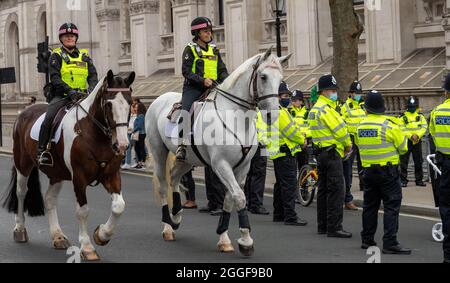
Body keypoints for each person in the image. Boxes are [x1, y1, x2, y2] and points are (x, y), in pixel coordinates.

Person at [355, 90, 411, 255]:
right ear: (382, 107)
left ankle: (367, 239)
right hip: (388, 172)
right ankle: (390, 242)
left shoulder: (360, 126)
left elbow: (359, 145)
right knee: (391, 206)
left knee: (370, 206)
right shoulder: (390, 125)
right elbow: (403, 148)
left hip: (368, 172)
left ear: (366, 108)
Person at [37, 23, 98, 165]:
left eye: (72, 36)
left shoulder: (85, 56)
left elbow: (93, 75)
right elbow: (55, 78)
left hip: (84, 96)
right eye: (66, 36)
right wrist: (70, 91)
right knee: (49, 118)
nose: (69, 38)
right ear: (61, 39)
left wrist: (91, 89)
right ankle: (42, 151)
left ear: (76, 38)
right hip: (63, 96)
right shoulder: (56, 56)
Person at [176, 17, 229, 161]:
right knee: (186, 111)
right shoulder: (190, 49)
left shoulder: (214, 50)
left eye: (210, 31)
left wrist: (228, 81)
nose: (209, 34)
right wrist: (202, 80)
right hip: (194, 88)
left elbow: (222, 70)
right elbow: (186, 72)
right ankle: (182, 145)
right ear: (197, 33)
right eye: (205, 31)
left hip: (213, 87)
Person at [308, 74, 352, 238]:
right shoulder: (327, 110)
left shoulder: (314, 109)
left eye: (335, 90)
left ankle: (323, 225)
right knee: (336, 191)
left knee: (323, 190)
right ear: (323, 91)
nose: (334, 93)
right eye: (331, 90)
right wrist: (348, 144)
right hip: (333, 154)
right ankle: (335, 227)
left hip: (321, 154)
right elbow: (340, 130)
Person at [267, 82, 307, 226]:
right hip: (285, 152)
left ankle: (278, 214)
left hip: (277, 152)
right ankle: (290, 216)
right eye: (285, 95)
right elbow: (290, 131)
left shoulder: (273, 110)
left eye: (288, 96)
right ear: (277, 97)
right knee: (289, 185)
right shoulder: (280, 111)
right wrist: (302, 139)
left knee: (280, 185)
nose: (288, 98)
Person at [429, 73, 450, 263]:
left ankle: (448, 255)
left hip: (446, 165)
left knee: (447, 208)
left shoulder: (437, 112)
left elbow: (434, 136)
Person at [340, 81, 366, 210]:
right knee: (348, 170)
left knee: (365, 166)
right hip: (350, 139)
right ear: (350, 94)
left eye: (360, 93)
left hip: (361, 139)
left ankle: (365, 188)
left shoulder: (362, 107)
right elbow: (342, 124)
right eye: (356, 93)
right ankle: (347, 199)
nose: (358, 95)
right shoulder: (345, 107)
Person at [244, 111, 269, 215]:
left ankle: (248, 201)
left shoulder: (251, 111)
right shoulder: (260, 112)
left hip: (253, 145)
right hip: (260, 145)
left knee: (251, 173)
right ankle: (256, 204)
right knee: (259, 174)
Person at [399, 96, 428, 188]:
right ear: (407, 106)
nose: (412, 108)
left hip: (417, 141)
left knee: (418, 161)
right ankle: (403, 180)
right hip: (406, 141)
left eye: (414, 106)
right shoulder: (402, 117)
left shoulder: (420, 116)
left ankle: (419, 180)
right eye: (410, 106)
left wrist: (418, 135)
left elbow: (424, 126)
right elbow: (401, 128)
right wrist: (411, 136)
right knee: (404, 162)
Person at [289, 90, 310, 176]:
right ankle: (295, 187)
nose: (294, 102)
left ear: (301, 101)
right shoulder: (289, 112)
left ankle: (304, 187)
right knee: (292, 169)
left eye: (296, 100)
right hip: (293, 144)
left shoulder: (307, 113)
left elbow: (312, 128)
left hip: (304, 144)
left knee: (303, 168)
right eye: (293, 100)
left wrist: (305, 135)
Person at [122, 102, 138, 170]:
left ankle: (138, 162)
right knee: (128, 148)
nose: (130, 109)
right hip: (128, 132)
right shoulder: (129, 115)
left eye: (131, 108)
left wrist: (132, 129)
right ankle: (127, 163)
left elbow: (136, 125)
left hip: (134, 133)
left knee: (137, 147)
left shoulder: (137, 116)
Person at [133, 103, 147, 169]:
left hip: (141, 133)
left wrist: (133, 130)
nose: (135, 108)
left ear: (139, 108)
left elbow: (139, 125)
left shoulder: (141, 116)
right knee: (137, 148)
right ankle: (139, 162)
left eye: (136, 107)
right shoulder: (139, 115)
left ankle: (143, 163)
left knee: (141, 148)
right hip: (139, 133)